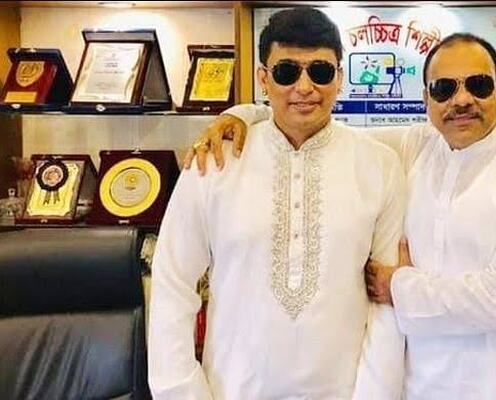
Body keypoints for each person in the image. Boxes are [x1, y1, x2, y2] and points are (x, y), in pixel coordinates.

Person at [189, 32, 496, 400]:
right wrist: (243, 114)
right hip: (425, 386)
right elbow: (316, 123)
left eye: (478, 85)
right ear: (426, 98)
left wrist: (400, 287)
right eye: (444, 88)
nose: (461, 100)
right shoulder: (416, 147)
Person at [149, 8, 405, 400]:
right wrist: (181, 392)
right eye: (287, 72)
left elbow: (385, 303)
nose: (305, 87)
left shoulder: (380, 164)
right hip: (231, 390)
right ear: (263, 79)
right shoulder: (214, 162)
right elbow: (173, 281)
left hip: (344, 391)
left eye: (320, 72)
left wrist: (375, 394)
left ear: (340, 78)